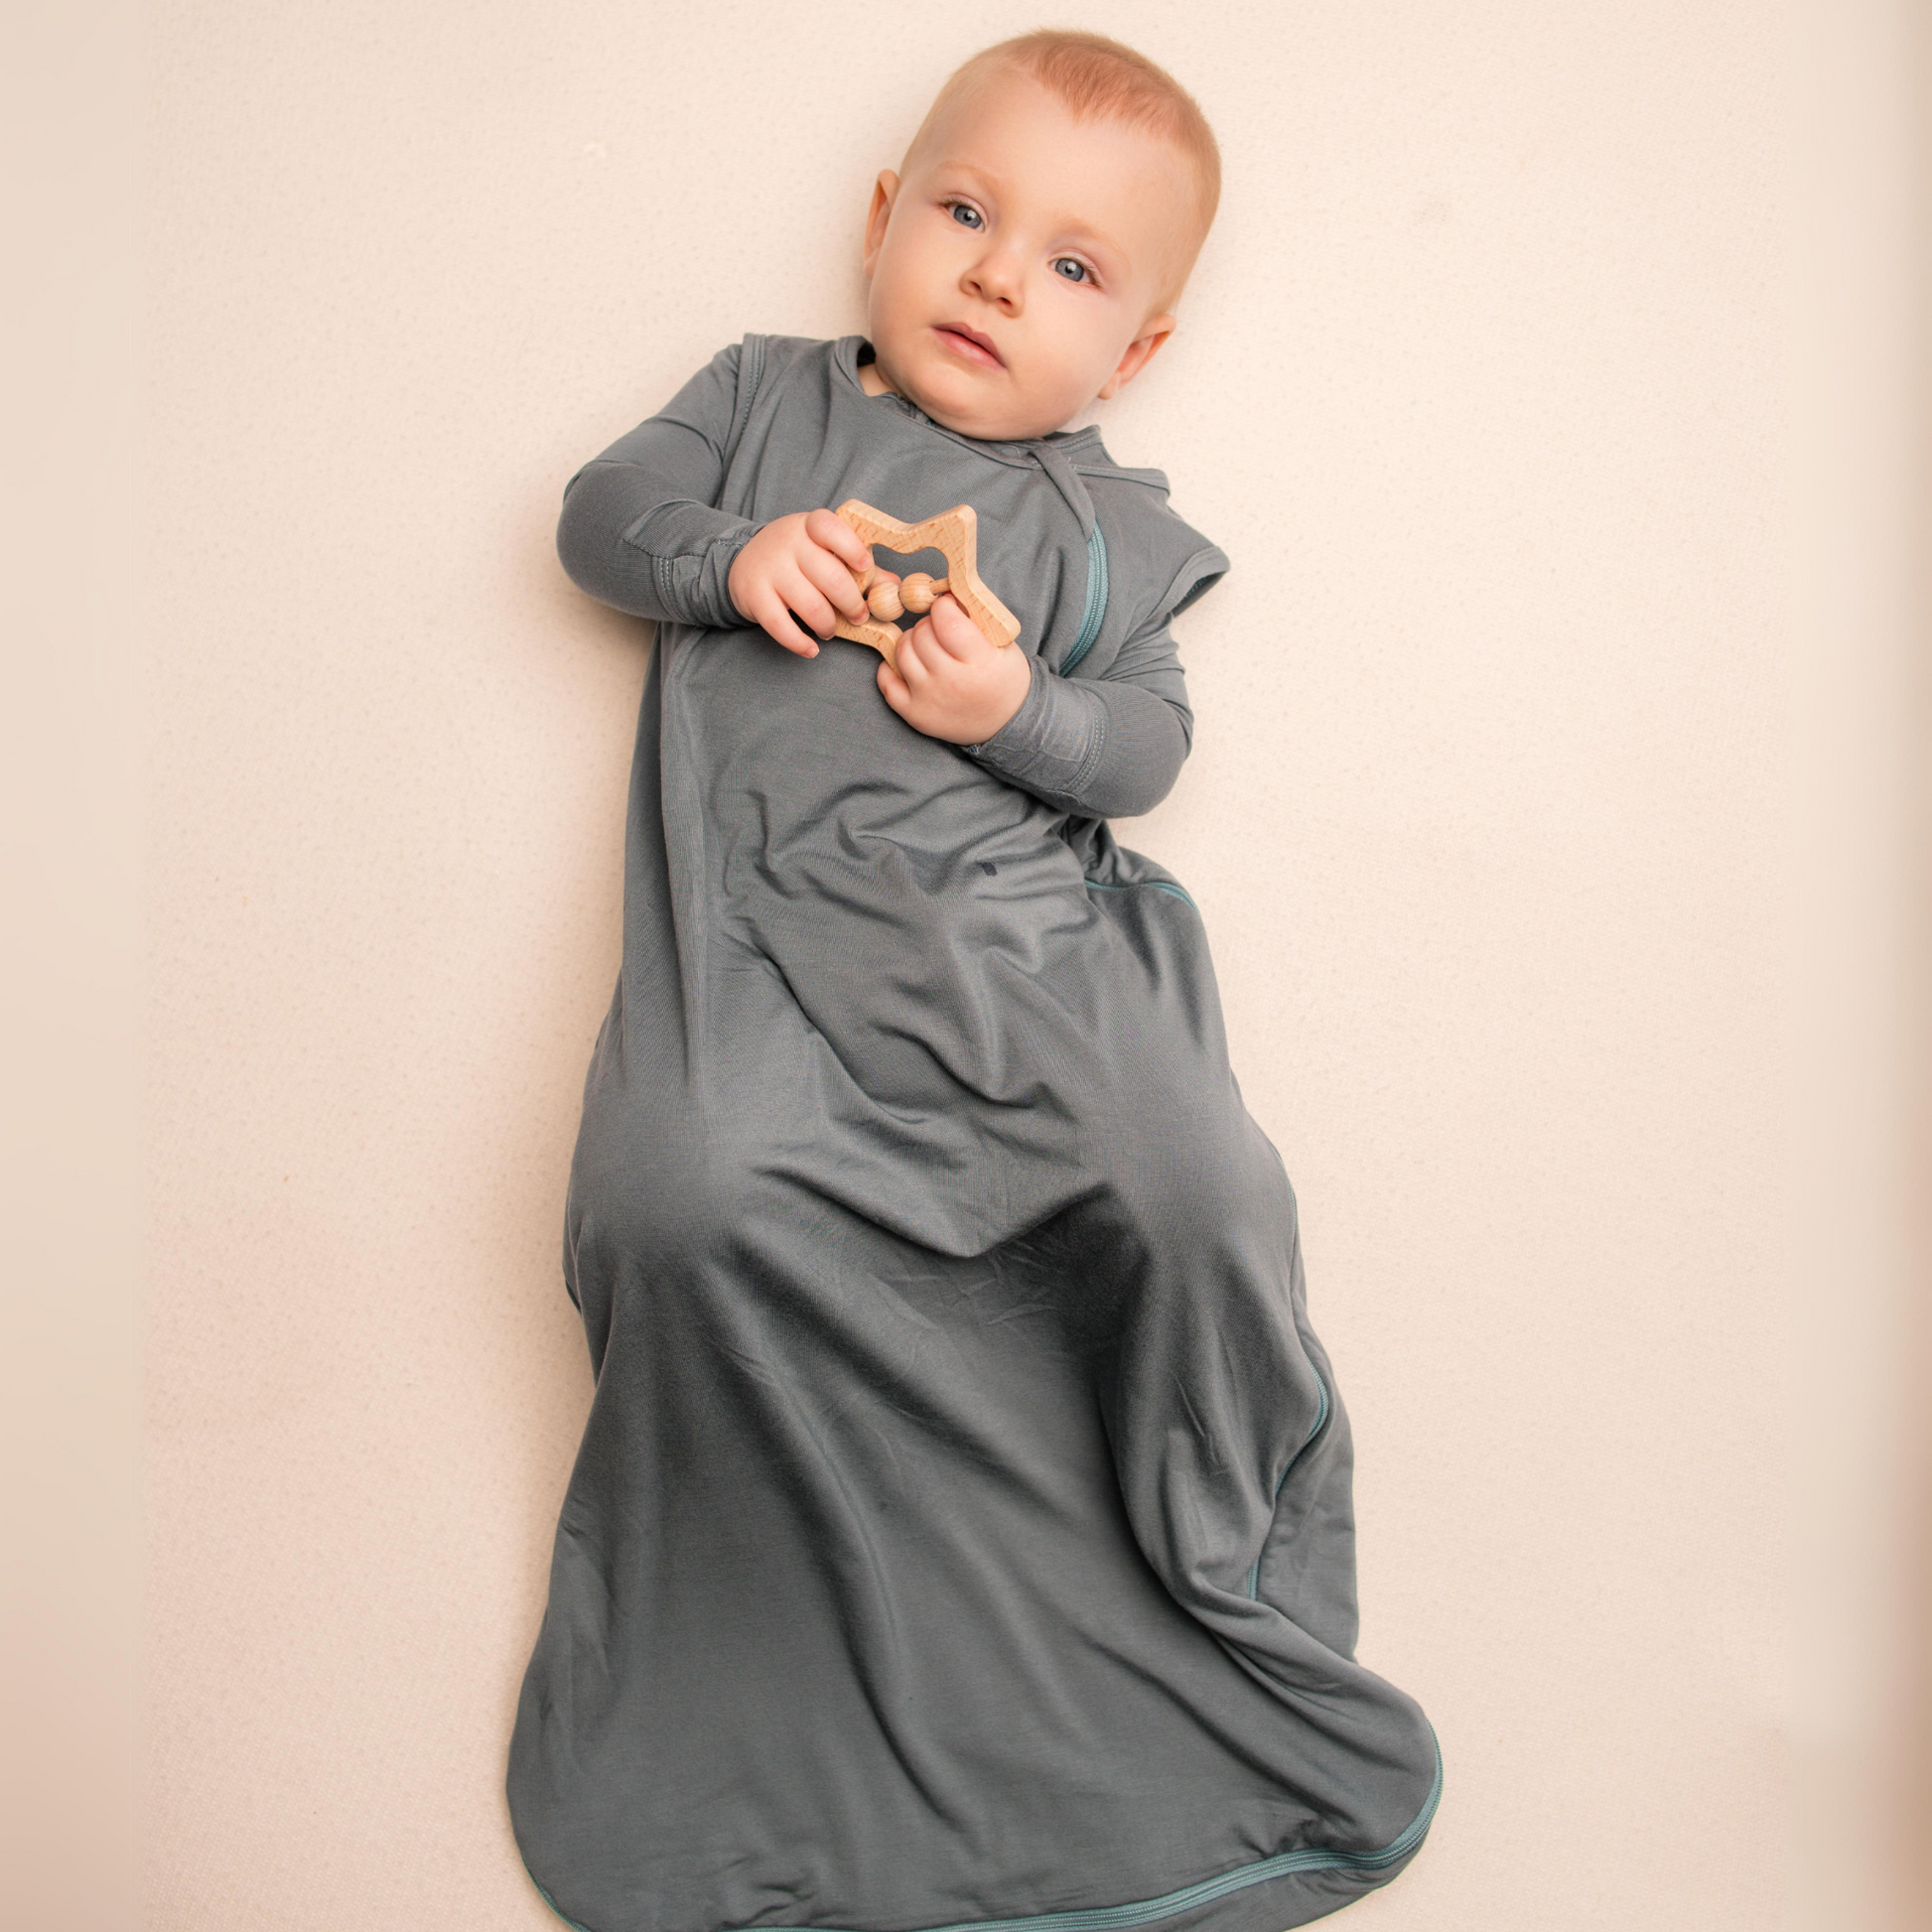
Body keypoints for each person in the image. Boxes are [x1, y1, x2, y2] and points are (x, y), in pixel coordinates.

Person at [507, 31, 1442, 1932]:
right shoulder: (759, 401)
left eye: (1076, 268)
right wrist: (728, 552)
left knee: (1199, 1183)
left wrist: (1019, 709)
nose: (1002, 275)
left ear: (1137, 349)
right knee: (679, 1193)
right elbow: (594, 517)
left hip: (1023, 974)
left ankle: (1175, 1547)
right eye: (965, 212)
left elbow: (1145, 749)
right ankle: (757, 1629)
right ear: (882, 222)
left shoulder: (1105, 529)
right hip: (764, 952)